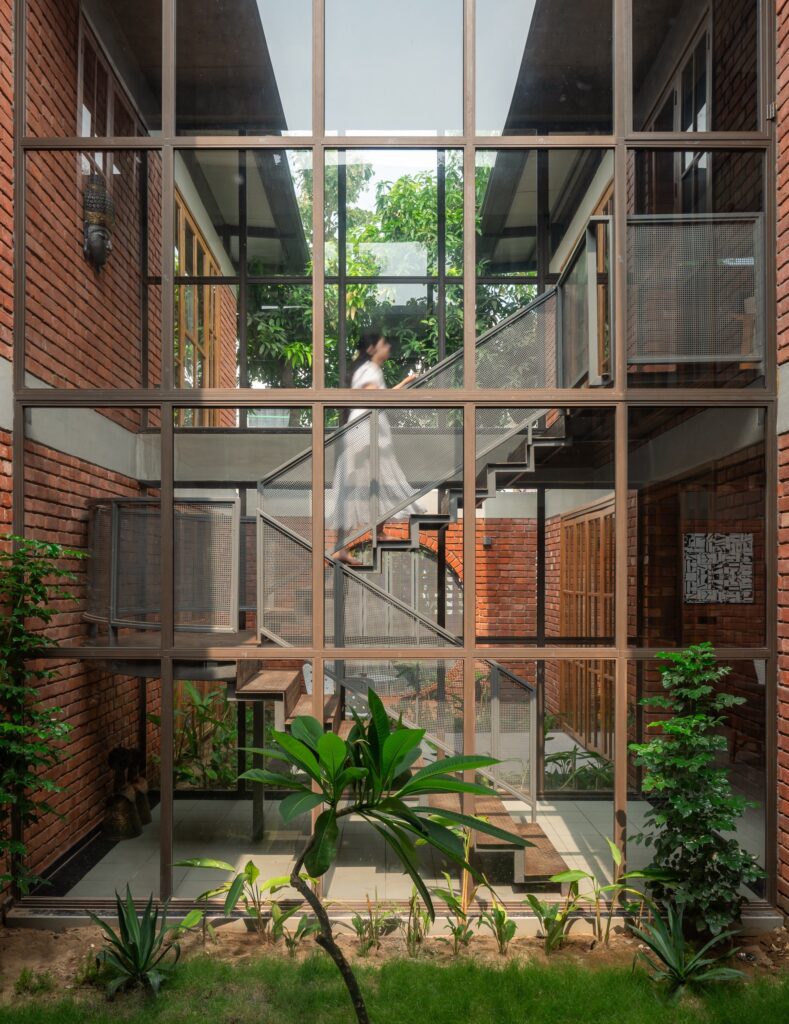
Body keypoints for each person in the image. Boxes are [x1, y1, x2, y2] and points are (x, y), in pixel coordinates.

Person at [326, 331, 425, 566]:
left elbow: (381, 396)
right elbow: (377, 397)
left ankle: (372, 534)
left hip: (368, 432)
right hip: (365, 433)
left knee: (374, 484)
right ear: (372, 349)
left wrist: (405, 383)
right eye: (383, 344)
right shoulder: (368, 370)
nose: (387, 347)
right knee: (364, 485)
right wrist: (402, 386)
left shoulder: (371, 370)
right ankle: (351, 542)